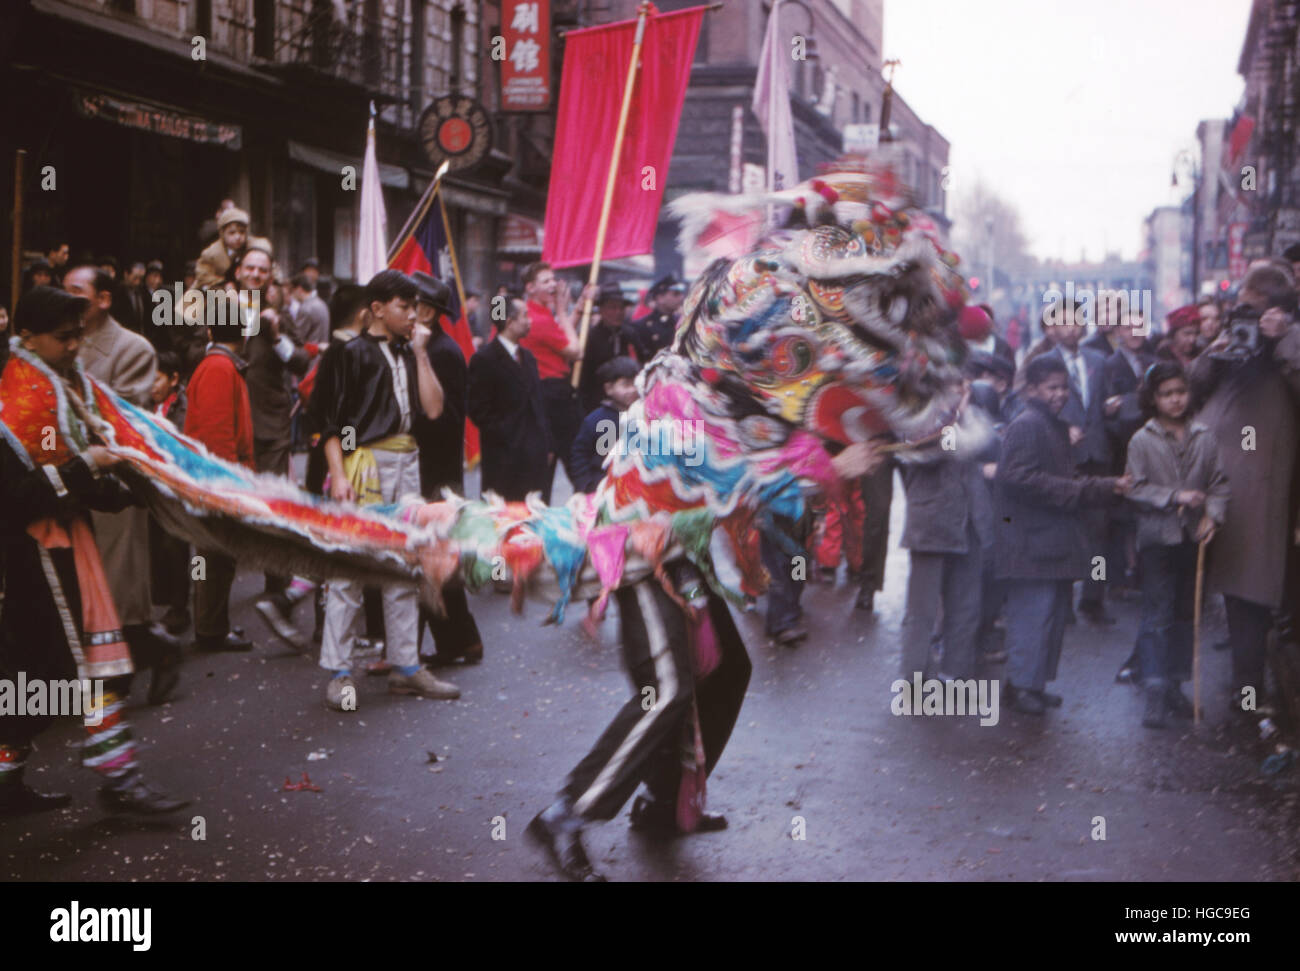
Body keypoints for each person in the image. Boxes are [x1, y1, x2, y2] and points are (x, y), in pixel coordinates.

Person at [526, 440, 883, 881]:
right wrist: (829, 469)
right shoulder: (681, 399)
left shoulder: (717, 390)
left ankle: (664, 801)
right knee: (665, 689)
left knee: (729, 669)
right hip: (639, 551)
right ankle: (566, 814)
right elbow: (736, 489)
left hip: (677, 552)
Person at [0, 286, 189, 816]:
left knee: (64, 671)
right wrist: (93, 467)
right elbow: (18, 496)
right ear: (30, 338)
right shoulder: (18, 399)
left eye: (79, 334)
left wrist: (136, 487)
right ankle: (116, 782)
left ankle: (87, 779)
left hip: (65, 545)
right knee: (62, 672)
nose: (76, 345)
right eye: (64, 337)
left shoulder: (60, 384)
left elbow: (77, 474)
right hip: (35, 556)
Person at [313, 269, 460, 711]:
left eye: (414, 306)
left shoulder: (408, 351)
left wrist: (420, 353)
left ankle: (406, 664)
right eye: (404, 306)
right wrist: (340, 475)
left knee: (404, 565)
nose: (412, 315)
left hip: (407, 462)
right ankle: (339, 671)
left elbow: (433, 409)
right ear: (377, 309)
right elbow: (331, 425)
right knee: (350, 568)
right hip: (367, 464)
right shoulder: (348, 353)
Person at [66, 264, 182, 704]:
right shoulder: (62, 346)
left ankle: (137, 661)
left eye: (77, 291)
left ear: (104, 299)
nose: (69, 299)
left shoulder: (132, 349)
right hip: (75, 481)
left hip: (113, 483)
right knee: (89, 588)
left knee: (117, 590)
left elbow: (119, 419)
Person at [1188, 262, 1300, 714]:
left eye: (1253, 311)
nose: (1246, 319)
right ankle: (1232, 689)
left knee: (1252, 595)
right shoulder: (1233, 345)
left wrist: (1286, 339)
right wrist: (1214, 352)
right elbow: (1191, 387)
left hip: (1263, 492)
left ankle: (1251, 692)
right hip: (1214, 486)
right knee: (1225, 594)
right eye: (1241, 309)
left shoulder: (1288, 346)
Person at [994, 354, 1131, 715]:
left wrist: (1103, 487)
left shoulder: (1050, 424)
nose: (1059, 394)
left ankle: (1031, 684)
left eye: (1063, 387)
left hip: (1048, 539)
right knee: (1032, 616)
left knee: (1050, 617)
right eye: (1051, 388)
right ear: (1032, 388)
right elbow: (1017, 477)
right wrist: (1077, 491)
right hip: (1030, 540)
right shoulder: (1028, 425)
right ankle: (1022, 685)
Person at [1125, 361, 1230, 728]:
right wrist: (1174, 496)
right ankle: (1153, 688)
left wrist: (1212, 515)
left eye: (1181, 393)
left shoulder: (1205, 436)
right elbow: (1135, 489)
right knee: (1158, 612)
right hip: (1158, 539)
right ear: (1154, 399)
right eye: (1167, 394)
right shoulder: (1142, 440)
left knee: (1188, 613)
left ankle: (1174, 683)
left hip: (1193, 539)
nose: (1175, 400)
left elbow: (1219, 483)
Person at [409, 271, 484, 668]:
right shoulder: (431, 346)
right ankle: (459, 640)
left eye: (411, 303)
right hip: (435, 468)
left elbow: (439, 417)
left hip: (435, 469)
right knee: (434, 556)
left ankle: (459, 640)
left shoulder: (440, 352)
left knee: (433, 556)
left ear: (427, 310)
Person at [898, 383, 995, 682]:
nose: (958, 392)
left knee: (966, 607)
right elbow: (938, 451)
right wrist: (952, 420)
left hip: (972, 523)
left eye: (963, 386)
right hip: (931, 525)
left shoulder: (973, 420)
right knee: (922, 611)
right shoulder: (914, 420)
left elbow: (991, 449)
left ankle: (955, 673)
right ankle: (915, 677)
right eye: (952, 386)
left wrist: (965, 418)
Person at [184, 310, 258, 654]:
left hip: (212, 477)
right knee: (214, 556)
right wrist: (230, 487)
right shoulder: (219, 368)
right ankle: (210, 629)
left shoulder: (217, 366)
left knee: (213, 556)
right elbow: (218, 437)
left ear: (211, 331)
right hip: (217, 480)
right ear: (242, 334)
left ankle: (210, 625)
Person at [1045, 304, 1114, 625]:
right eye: (1064, 322)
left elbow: (1104, 404)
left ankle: (1093, 597)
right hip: (1062, 458)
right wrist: (1060, 428)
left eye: (1077, 321)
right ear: (1051, 329)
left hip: (1097, 455)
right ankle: (1061, 601)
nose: (1072, 328)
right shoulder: (1043, 365)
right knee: (1062, 530)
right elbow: (1029, 406)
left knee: (1099, 532)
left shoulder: (1099, 361)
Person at [467, 295, 553, 502]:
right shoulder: (484, 359)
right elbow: (478, 409)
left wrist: (546, 443)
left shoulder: (529, 358)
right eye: (525, 315)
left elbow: (538, 405)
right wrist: (507, 434)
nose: (529, 321)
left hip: (534, 457)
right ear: (509, 321)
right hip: (503, 459)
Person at [520, 261, 593, 502]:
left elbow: (559, 338)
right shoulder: (537, 318)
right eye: (546, 281)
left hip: (550, 394)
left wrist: (577, 310)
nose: (553, 285)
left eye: (553, 279)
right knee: (573, 460)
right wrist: (563, 311)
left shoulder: (540, 313)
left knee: (555, 463)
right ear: (530, 288)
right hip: (551, 395)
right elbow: (574, 350)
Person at [148, 352, 192, 638]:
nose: (151, 385)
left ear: (173, 379)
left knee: (175, 545)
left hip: (175, 484)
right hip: (154, 484)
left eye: (157, 378)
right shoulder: (151, 405)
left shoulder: (182, 407)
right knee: (159, 545)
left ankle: (180, 605)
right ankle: (167, 602)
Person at [569, 356, 640, 494]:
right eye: (626, 384)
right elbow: (580, 455)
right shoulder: (596, 420)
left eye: (635, 383)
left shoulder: (645, 415)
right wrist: (585, 485)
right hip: (602, 485)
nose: (632, 390)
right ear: (608, 389)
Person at [578, 282, 637, 416]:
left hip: (628, 404)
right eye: (612, 308)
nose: (618, 313)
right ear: (601, 310)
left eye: (621, 308)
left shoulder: (630, 334)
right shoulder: (589, 338)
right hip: (598, 404)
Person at [627, 274, 685, 364]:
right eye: (675, 294)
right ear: (660, 298)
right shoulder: (641, 326)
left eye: (680, 294)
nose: (681, 298)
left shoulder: (681, 322)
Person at [196, 206, 249, 289]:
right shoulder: (211, 253)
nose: (238, 237)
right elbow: (203, 275)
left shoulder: (249, 249)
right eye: (232, 233)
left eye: (242, 232)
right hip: (212, 290)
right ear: (222, 234)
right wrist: (224, 284)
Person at [288, 272, 330, 347]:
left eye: (292, 291)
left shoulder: (305, 308)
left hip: (311, 354)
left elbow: (297, 337)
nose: (292, 295)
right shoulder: (322, 303)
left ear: (299, 289)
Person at [1156, 305, 1200, 370]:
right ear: (1173, 334)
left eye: (1196, 334)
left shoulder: (1199, 355)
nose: (1192, 340)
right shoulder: (1161, 359)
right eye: (1187, 334)